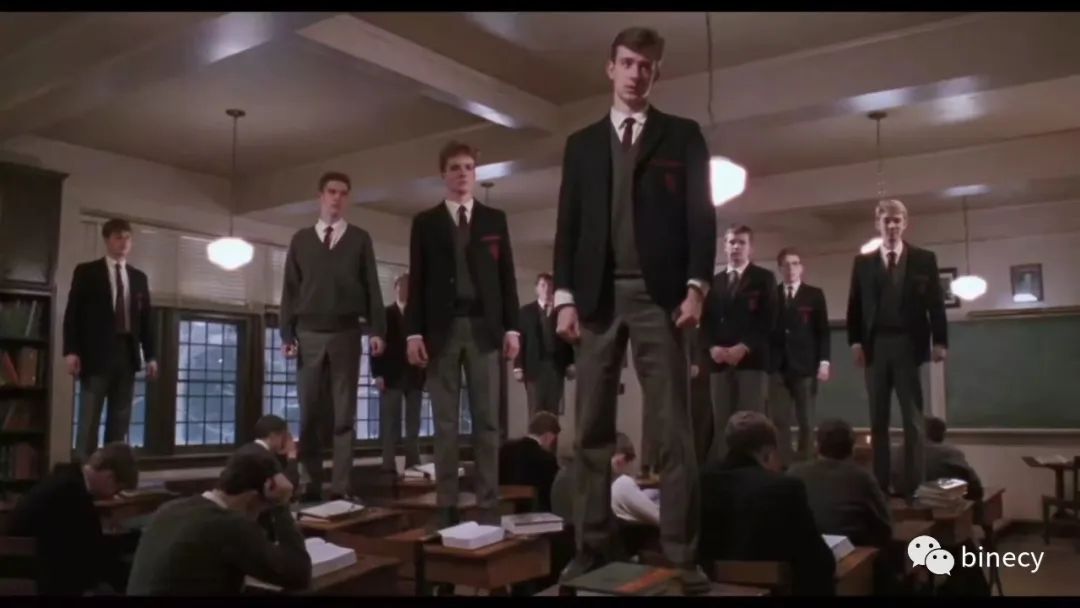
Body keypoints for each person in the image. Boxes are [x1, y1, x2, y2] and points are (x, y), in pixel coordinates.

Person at [552, 25, 715, 593]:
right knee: (589, 433)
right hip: (595, 298)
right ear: (610, 68)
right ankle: (591, 549)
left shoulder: (683, 135)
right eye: (627, 62)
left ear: (656, 72)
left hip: (660, 298)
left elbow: (701, 216)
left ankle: (682, 555)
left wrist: (697, 288)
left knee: (674, 431)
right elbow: (568, 225)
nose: (636, 73)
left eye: (646, 65)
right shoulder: (582, 144)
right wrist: (564, 298)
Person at [405, 141, 520, 527]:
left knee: (487, 421)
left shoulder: (494, 219)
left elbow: (506, 277)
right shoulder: (426, 222)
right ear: (443, 173)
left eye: (469, 167)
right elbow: (417, 281)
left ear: (476, 173)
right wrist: (413, 334)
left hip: (485, 329)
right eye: (455, 167)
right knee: (445, 423)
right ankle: (447, 504)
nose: (463, 173)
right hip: (442, 331)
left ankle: (488, 503)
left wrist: (513, 328)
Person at [279, 171, 387, 502]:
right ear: (321, 196)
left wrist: (377, 330)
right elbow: (289, 290)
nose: (336, 198)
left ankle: (341, 487)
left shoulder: (359, 239)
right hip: (308, 333)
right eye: (331, 192)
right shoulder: (301, 240)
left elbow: (372, 287)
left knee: (344, 415)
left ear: (347, 198)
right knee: (309, 414)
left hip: (346, 333)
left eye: (342, 192)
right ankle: (310, 484)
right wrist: (286, 334)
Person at [846, 198, 948, 498]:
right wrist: (855, 341)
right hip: (876, 345)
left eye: (897, 220)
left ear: (905, 223)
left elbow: (936, 304)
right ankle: (880, 486)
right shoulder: (863, 263)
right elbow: (854, 306)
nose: (891, 226)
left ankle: (914, 485)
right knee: (877, 419)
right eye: (886, 220)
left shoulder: (923, 259)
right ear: (877, 224)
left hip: (908, 343)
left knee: (912, 419)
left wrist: (940, 341)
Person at [126, 450, 311, 595]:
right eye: (263, 510)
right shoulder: (230, 525)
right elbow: (300, 574)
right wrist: (280, 505)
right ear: (252, 498)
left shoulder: (169, 509)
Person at [699, 411, 835, 596]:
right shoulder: (785, 487)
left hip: (713, 587)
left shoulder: (703, 481)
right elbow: (818, 558)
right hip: (772, 588)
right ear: (767, 452)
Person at [63, 218, 158, 459]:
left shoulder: (139, 278)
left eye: (127, 238)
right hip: (95, 354)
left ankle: (113, 472)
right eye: (118, 237)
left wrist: (151, 356)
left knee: (120, 420)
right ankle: (84, 473)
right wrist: (71, 351)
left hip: (127, 354)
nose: (123, 243)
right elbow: (72, 313)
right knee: (89, 420)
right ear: (107, 240)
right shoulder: (87, 272)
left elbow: (146, 320)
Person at [7, 442, 139, 595]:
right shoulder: (73, 493)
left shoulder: (65, 479)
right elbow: (92, 555)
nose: (113, 496)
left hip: (26, 572)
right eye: (118, 489)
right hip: (40, 581)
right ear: (110, 477)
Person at [702, 225, 778, 462]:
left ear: (750, 247)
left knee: (751, 421)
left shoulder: (763, 278)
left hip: (751, 361)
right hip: (719, 362)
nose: (736, 247)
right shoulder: (714, 282)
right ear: (725, 247)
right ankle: (725, 470)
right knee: (722, 421)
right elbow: (705, 322)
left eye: (741, 242)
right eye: (732, 242)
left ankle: (753, 469)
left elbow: (769, 320)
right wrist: (712, 348)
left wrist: (744, 346)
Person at [787, 418, 892, 549]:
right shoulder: (862, 478)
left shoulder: (794, 473)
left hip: (801, 549)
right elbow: (885, 527)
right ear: (852, 448)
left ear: (817, 446)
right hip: (853, 550)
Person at [769, 247, 831, 465]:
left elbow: (823, 331)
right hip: (777, 366)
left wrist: (824, 362)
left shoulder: (814, 295)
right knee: (779, 420)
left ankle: (806, 465)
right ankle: (784, 465)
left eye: (795, 263)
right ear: (780, 268)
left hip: (805, 366)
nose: (791, 268)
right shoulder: (772, 295)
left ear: (801, 268)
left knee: (806, 420)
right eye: (786, 264)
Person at [372, 272, 425, 472]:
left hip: (414, 377)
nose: (404, 289)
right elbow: (375, 347)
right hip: (390, 377)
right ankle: (388, 467)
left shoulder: (418, 317)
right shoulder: (384, 315)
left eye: (408, 286)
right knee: (389, 425)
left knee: (413, 425)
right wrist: (377, 374)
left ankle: (413, 466)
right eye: (401, 285)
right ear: (395, 288)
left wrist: (426, 372)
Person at [513, 272, 575, 417]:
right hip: (534, 367)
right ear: (537, 289)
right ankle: (534, 434)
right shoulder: (525, 312)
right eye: (543, 285)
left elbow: (567, 339)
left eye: (550, 285)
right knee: (535, 409)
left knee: (553, 410)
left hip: (555, 367)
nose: (546, 289)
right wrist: (517, 366)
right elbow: (520, 339)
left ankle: (552, 433)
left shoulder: (560, 312)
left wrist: (570, 363)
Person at [892, 416, 983, 501]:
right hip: (937, 501)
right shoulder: (948, 452)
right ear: (941, 434)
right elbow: (973, 482)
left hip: (903, 499)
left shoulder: (897, 450)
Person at [498, 411, 561, 512]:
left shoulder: (505, 448)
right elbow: (551, 494)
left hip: (502, 510)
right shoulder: (547, 458)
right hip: (533, 514)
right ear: (548, 436)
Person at [234, 414, 300, 494]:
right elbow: (288, 487)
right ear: (273, 435)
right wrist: (292, 456)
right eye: (284, 436)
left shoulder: (242, 450)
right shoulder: (266, 459)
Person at [609, 433, 660, 527]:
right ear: (621, 459)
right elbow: (659, 517)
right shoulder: (622, 484)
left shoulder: (606, 486)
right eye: (630, 458)